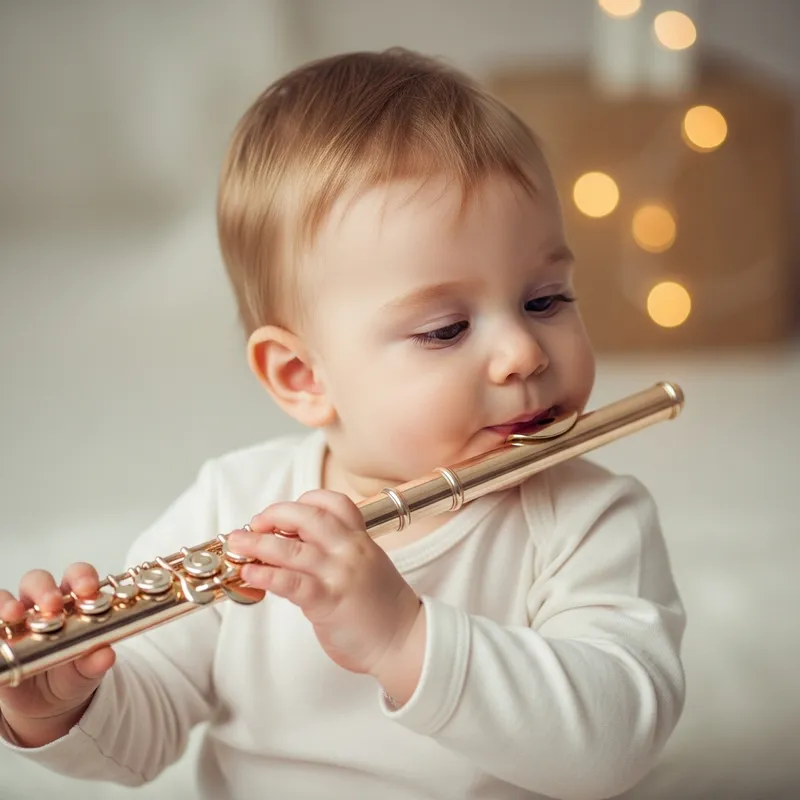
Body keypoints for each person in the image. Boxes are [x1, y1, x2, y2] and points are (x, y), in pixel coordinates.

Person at [0, 48, 686, 800]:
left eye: (545, 299)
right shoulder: (236, 502)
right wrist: (63, 708)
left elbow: (613, 746)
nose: (522, 353)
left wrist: (403, 638)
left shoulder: (591, 518)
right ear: (304, 377)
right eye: (446, 328)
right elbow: (147, 728)